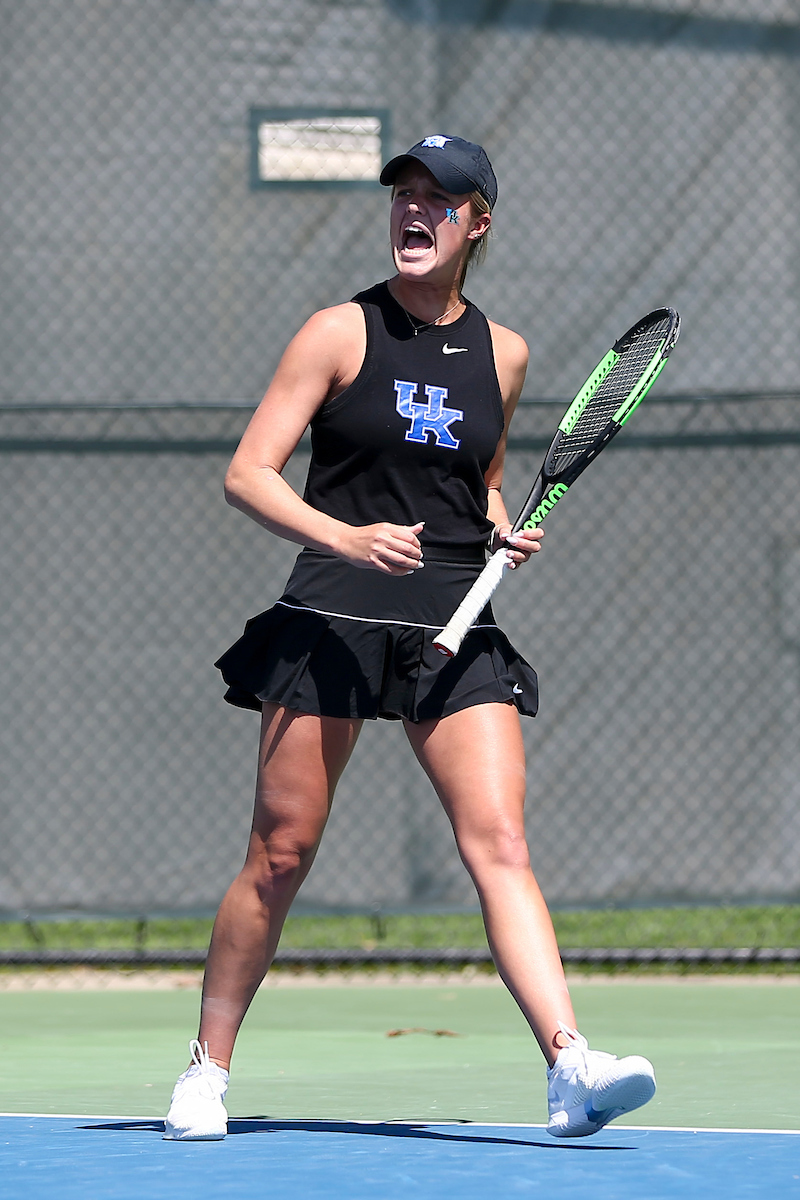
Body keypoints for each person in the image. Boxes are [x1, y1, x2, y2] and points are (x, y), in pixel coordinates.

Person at [164, 135, 656, 1141]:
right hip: (331, 612)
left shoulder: (502, 354)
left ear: (477, 223)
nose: (415, 213)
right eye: (404, 196)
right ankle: (206, 1068)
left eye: (440, 200)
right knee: (281, 851)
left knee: (502, 841)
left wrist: (498, 527)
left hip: (452, 617)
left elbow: (474, 475)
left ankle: (569, 1065)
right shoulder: (337, 332)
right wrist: (344, 535)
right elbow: (249, 474)